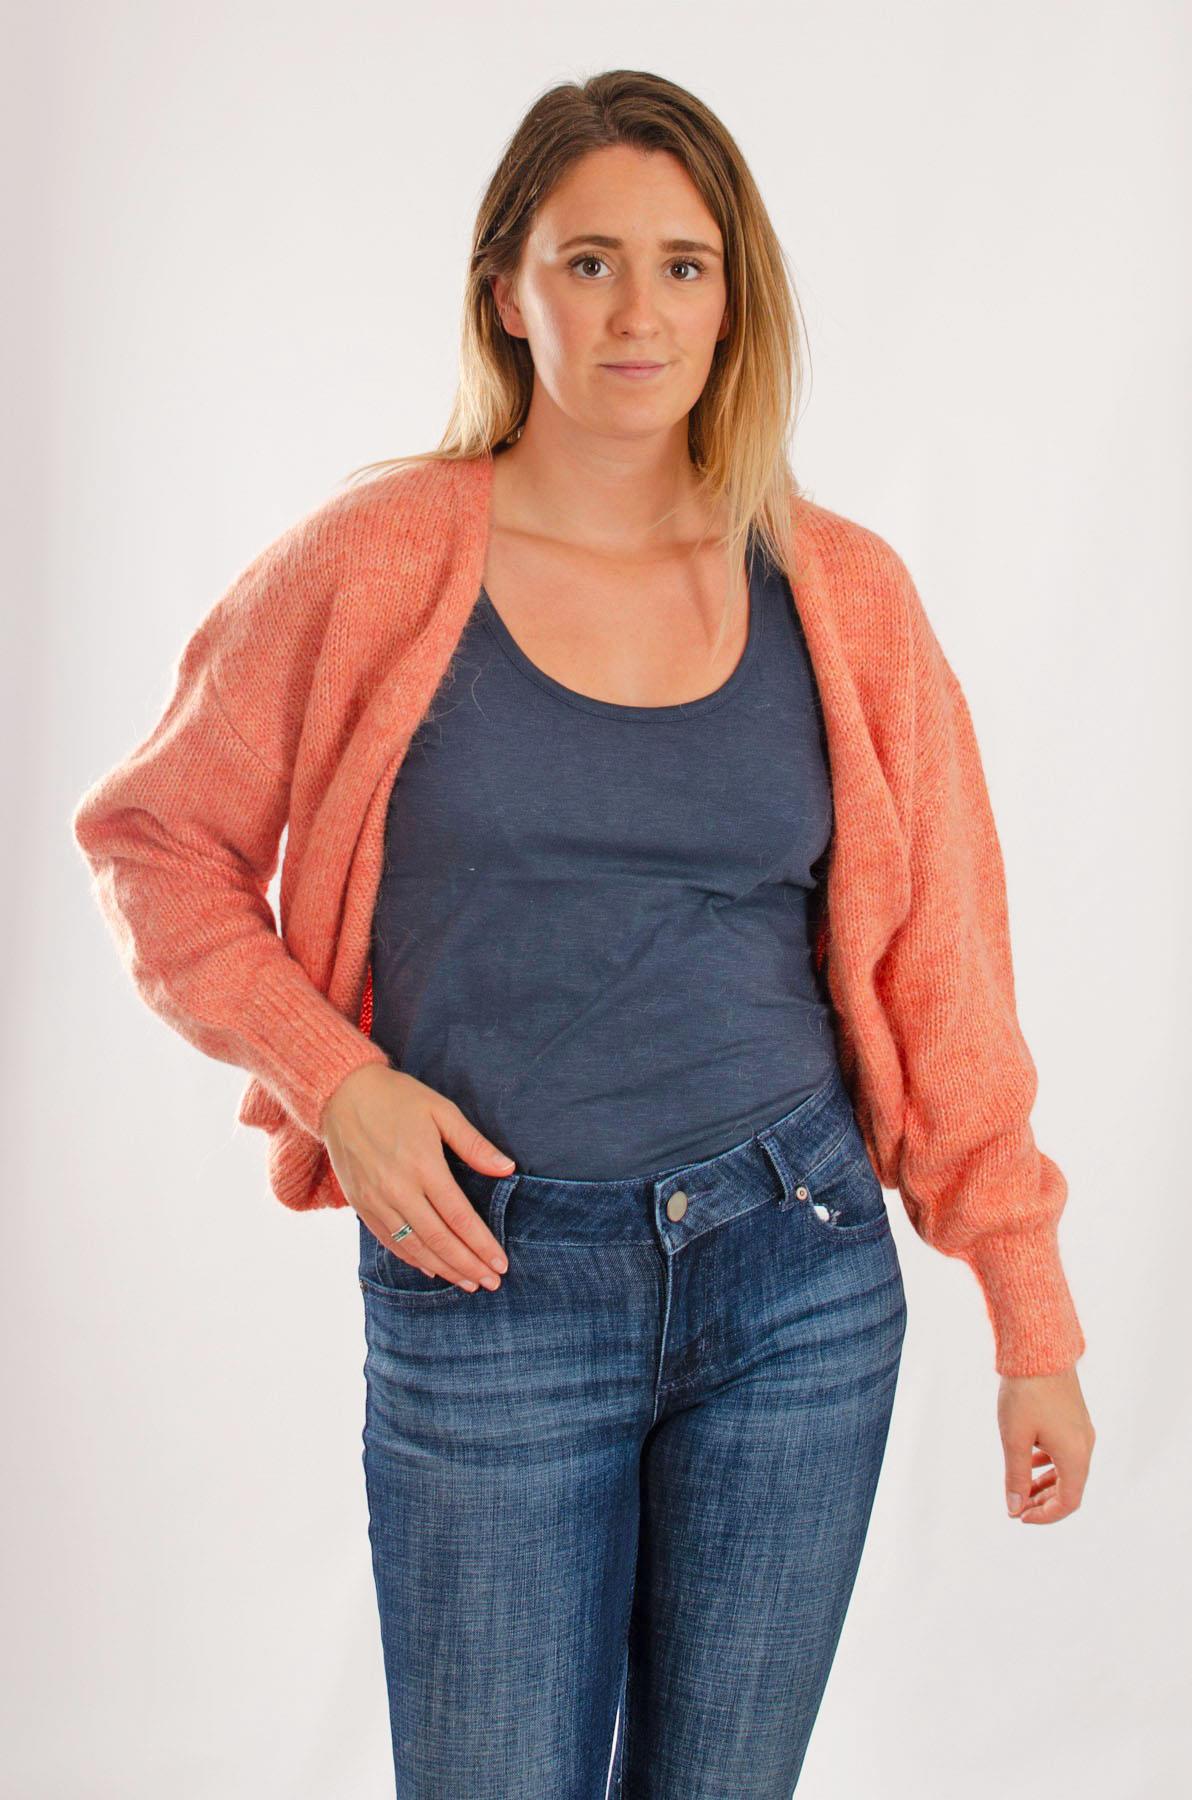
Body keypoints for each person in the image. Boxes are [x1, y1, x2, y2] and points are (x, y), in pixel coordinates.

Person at [72, 68, 1094, 1800]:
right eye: (590, 260)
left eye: (685, 265)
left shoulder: (842, 592)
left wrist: (1033, 1318)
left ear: (734, 299)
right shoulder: (375, 560)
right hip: (491, 1280)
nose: (640, 312)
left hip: (797, 1276)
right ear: (507, 290)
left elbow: (949, 969)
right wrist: (338, 1082)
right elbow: (153, 842)